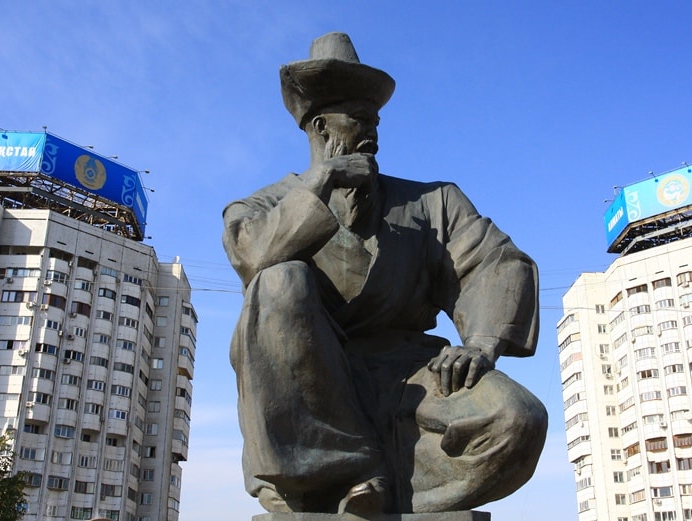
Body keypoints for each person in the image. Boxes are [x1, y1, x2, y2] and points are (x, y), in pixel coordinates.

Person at [222, 32, 547, 515]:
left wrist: (481, 343)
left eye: (376, 119)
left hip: (410, 375)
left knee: (518, 420)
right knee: (277, 280)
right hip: (311, 386)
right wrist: (320, 183)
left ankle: (387, 488)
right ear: (321, 126)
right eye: (360, 119)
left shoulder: (434, 201)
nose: (373, 130)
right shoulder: (257, 208)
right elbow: (254, 258)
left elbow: (494, 262)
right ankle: (334, 477)